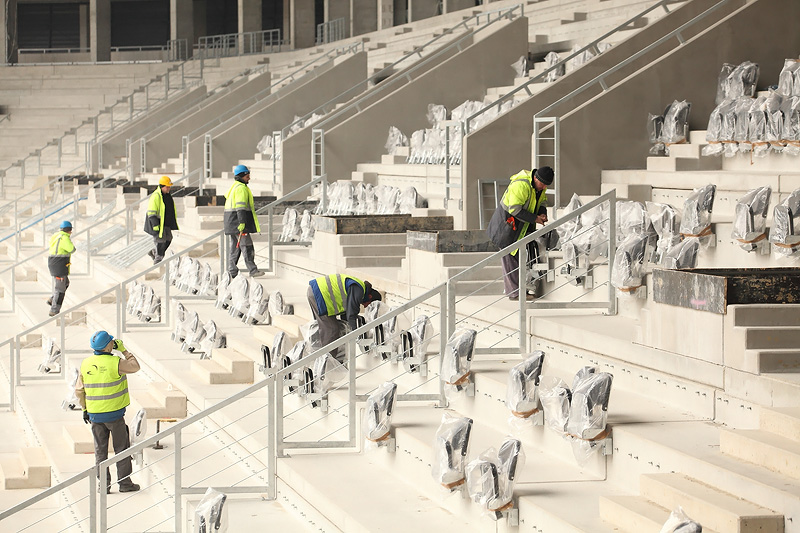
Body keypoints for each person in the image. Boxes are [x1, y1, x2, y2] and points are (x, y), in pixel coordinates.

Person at [75, 330, 141, 494]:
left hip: (95, 416)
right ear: (107, 346)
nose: (113, 343)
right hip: (115, 416)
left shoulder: (86, 363)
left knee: (100, 451)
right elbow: (135, 366)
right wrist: (124, 350)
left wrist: (84, 409)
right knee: (121, 448)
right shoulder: (116, 362)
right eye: (112, 342)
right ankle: (124, 483)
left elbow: (79, 391)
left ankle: (104, 485)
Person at [486, 166, 554, 301]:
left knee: (517, 258)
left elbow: (542, 201)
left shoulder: (540, 185)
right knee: (509, 257)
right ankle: (515, 293)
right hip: (506, 226)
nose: (544, 187)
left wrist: (542, 213)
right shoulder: (522, 185)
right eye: (543, 184)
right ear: (535, 178)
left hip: (521, 226)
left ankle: (518, 291)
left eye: (546, 185)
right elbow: (515, 209)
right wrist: (536, 219)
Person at [307, 274, 382, 363]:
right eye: (369, 305)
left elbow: (346, 315)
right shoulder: (359, 290)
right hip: (319, 293)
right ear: (370, 297)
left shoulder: (358, 287)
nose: (366, 307)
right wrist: (356, 335)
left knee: (331, 328)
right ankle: (329, 364)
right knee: (331, 329)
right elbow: (351, 315)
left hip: (315, 291)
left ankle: (324, 358)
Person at [224, 165, 263, 278]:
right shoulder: (241, 188)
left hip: (231, 222)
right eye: (247, 176)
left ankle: (232, 271)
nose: (249, 178)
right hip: (237, 222)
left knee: (235, 247)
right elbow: (240, 207)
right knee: (247, 246)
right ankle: (253, 270)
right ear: (241, 176)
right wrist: (242, 222)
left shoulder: (235, 187)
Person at [144, 176, 179, 264]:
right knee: (160, 240)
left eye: (169, 187)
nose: (169, 188)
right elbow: (151, 213)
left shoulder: (167, 196)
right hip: (158, 224)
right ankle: (158, 259)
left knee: (169, 238)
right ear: (162, 186)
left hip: (165, 223)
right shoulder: (156, 196)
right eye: (167, 187)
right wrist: (156, 225)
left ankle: (154, 252)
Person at [47, 220, 76, 317]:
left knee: (66, 283)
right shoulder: (64, 238)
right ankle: (54, 310)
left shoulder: (56, 235)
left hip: (53, 263)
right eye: (71, 230)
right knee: (60, 289)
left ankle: (52, 299)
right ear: (69, 230)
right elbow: (72, 249)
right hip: (59, 266)